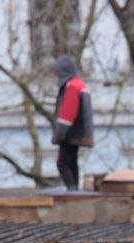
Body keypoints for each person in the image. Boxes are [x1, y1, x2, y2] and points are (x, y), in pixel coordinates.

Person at [52, 55, 91, 190]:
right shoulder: (80, 84)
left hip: (70, 133)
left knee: (62, 163)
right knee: (72, 162)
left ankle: (72, 191)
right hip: (79, 132)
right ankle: (75, 190)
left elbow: (67, 114)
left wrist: (59, 134)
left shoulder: (71, 86)